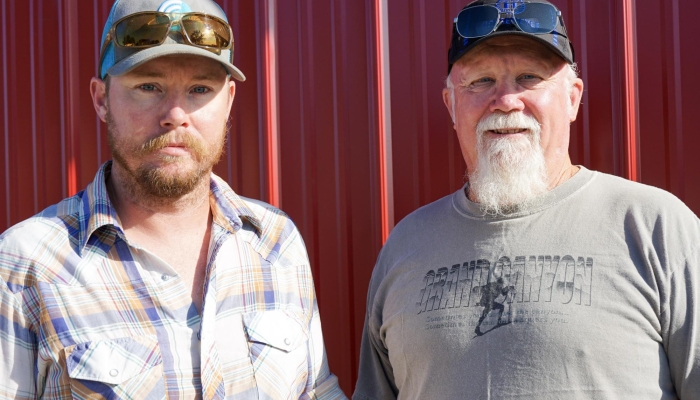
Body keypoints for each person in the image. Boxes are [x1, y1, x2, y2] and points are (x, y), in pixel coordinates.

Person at [353, 0, 700, 398]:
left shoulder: (655, 226)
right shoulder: (406, 245)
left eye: (529, 77)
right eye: (480, 81)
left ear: (572, 98)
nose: (506, 100)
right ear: (451, 104)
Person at [0, 0, 346, 398]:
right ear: (101, 99)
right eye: (149, 86)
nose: (176, 113)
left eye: (200, 89)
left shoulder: (275, 242)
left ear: (229, 101)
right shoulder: (25, 265)